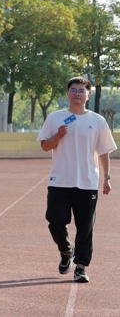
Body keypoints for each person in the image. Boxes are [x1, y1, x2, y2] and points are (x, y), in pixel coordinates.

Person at [37, 77, 116, 283]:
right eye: (74, 90)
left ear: (88, 95)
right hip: (59, 180)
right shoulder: (56, 118)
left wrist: (106, 177)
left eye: (82, 91)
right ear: (68, 94)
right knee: (55, 222)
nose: (77, 94)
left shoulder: (97, 120)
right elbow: (45, 146)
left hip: (87, 182)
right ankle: (66, 250)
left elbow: (104, 151)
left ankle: (81, 266)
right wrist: (58, 136)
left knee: (85, 227)